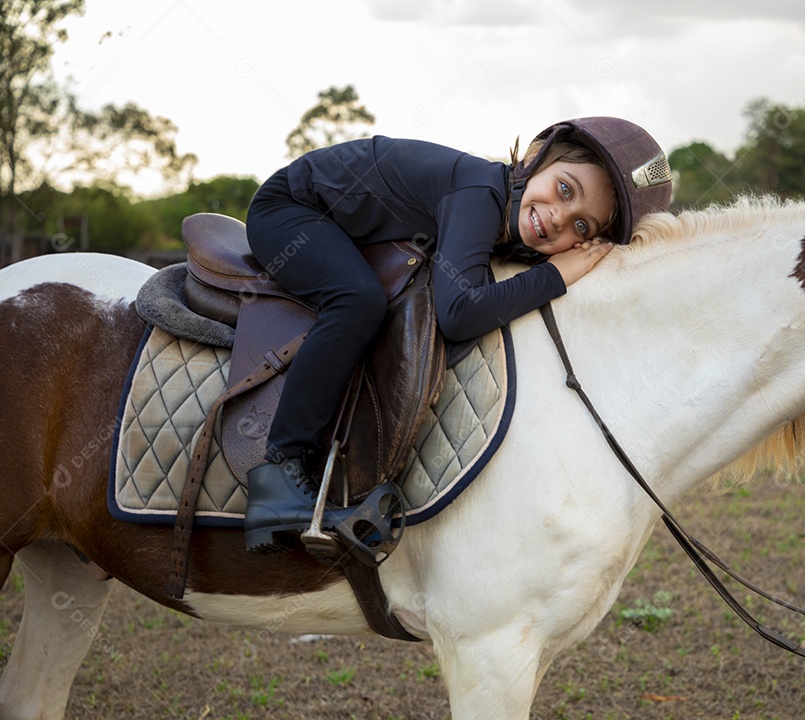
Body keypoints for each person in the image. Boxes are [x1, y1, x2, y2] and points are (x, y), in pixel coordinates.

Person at [242, 116, 672, 553]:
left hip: (333, 222)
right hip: (290, 211)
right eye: (565, 189)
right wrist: (556, 276)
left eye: (582, 226)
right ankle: (280, 471)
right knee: (358, 300)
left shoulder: (504, 212)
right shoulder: (478, 192)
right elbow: (459, 313)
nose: (560, 218)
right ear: (535, 157)